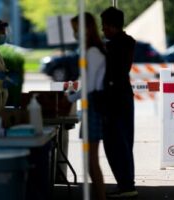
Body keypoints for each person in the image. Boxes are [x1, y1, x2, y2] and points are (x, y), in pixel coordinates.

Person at [100, 7, 138, 198]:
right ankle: (125, 183)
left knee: (116, 143)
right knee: (123, 141)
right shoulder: (126, 42)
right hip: (123, 96)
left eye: (104, 25)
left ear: (111, 26)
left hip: (114, 99)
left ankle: (126, 185)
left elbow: (110, 73)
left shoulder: (114, 46)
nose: (102, 29)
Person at [68, 12, 106, 200]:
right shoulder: (92, 50)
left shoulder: (92, 52)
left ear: (87, 28)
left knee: (91, 160)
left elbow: (89, 86)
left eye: (76, 29)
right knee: (91, 161)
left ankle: (100, 197)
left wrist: (70, 98)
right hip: (92, 107)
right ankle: (100, 196)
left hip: (94, 108)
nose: (75, 33)